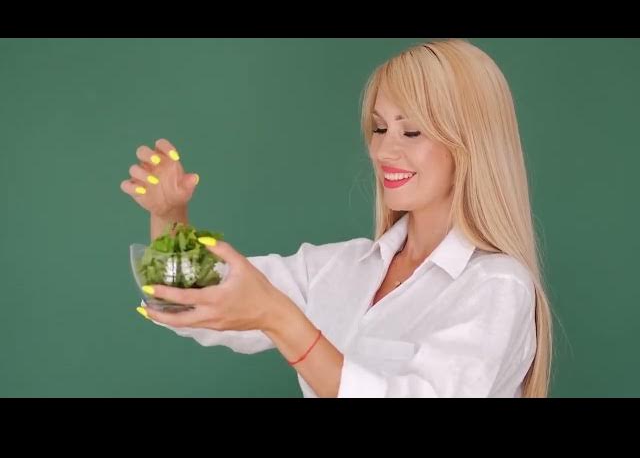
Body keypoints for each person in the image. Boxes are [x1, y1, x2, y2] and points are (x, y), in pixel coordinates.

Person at [120, 39, 552, 398]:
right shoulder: (339, 269)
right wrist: (169, 216)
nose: (383, 150)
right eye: (379, 128)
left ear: (469, 144)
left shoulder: (496, 285)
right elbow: (189, 297)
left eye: (411, 131)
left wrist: (280, 318)